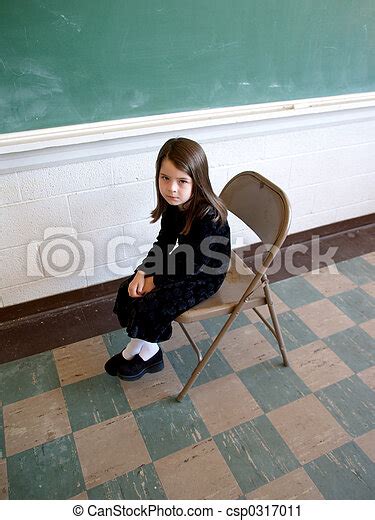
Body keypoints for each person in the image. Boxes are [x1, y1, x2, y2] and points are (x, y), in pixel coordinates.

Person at [105, 137, 231, 381]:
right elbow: (164, 243)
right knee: (129, 288)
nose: (172, 188)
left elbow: (192, 265)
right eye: (165, 178)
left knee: (152, 302)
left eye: (182, 181)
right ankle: (141, 350)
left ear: (198, 180)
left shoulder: (209, 217)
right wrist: (143, 272)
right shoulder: (175, 205)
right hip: (181, 262)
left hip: (205, 275)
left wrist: (156, 281)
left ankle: (143, 351)